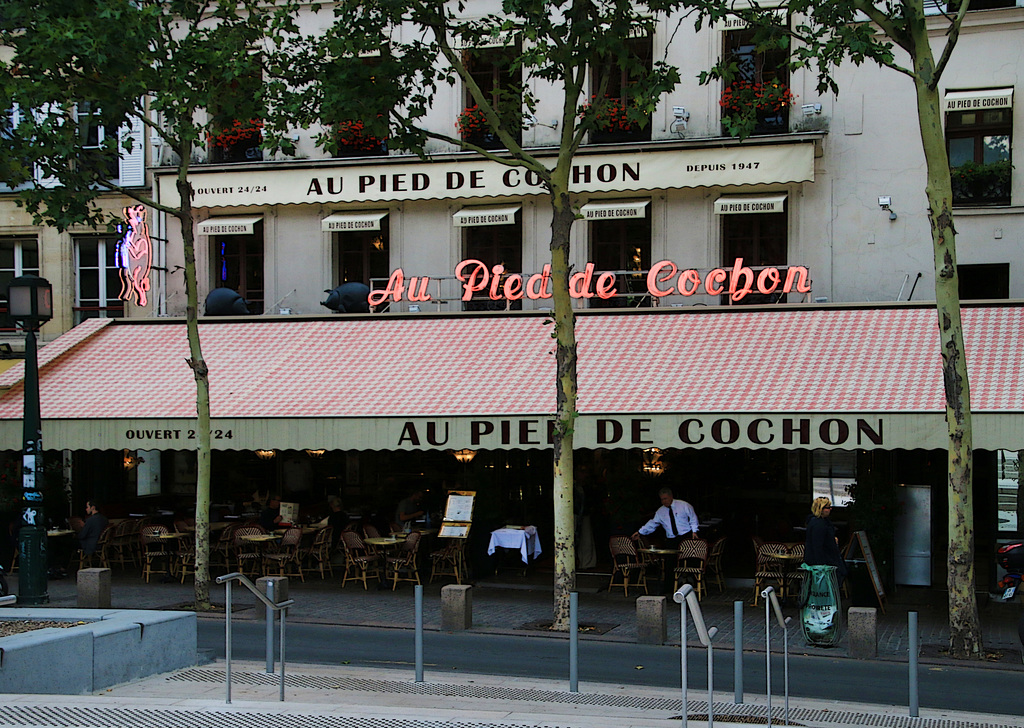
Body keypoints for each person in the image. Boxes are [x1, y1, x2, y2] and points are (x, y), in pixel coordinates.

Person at [631, 487, 699, 593]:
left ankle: (692, 585)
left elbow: (693, 518)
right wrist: (640, 532)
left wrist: (694, 531)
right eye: (662, 499)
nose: (664, 501)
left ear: (671, 497)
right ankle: (669, 588)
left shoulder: (684, 505)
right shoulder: (661, 511)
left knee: (690, 560)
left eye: (666, 499)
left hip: (685, 536)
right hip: (671, 538)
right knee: (669, 563)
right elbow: (653, 523)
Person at [803, 497, 848, 581]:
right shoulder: (819, 524)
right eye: (828, 507)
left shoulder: (818, 522)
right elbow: (817, 545)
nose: (830, 509)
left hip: (821, 560)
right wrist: (821, 564)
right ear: (821, 509)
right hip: (823, 562)